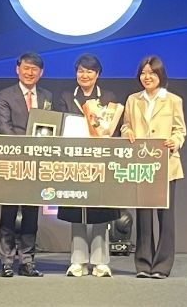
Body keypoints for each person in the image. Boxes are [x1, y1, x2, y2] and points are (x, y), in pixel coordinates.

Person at [120, 55, 187, 279]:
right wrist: (127, 132)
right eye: (143, 73)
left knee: (166, 218)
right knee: (143, 216)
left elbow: (180, 130)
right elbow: (125, 125)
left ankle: (162, 266)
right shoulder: (133, 100)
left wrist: (175, 141)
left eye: (151, 73)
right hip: (142, 165)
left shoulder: (173, 100)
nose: (147, 77)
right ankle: (143, 263)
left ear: (160, 75)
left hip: (166, 164)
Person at [57, 53, 121, 278]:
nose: (84, 75)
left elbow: (114, 128)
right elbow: (59, 125)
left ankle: (100, 262)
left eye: (89, 71)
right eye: (80, 71)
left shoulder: (108, 97)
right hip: (74, 160)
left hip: (100, 161)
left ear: (98, 74)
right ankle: (78, 261)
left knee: (100, 210)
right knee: (76, 210)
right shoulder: (66, 96)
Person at [0, 52, 52, 277]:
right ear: (17, 69)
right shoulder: (5, 95)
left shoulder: (47, 96)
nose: (30, 72)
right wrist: (24, 148)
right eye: (26, 68)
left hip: (37, 162)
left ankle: (27, 261)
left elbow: (50, 127)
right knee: (8, 212)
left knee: (31, 213)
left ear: (41, 73)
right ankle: (7, 261)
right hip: (13, 161)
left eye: (34, 69)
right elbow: (4, 127)